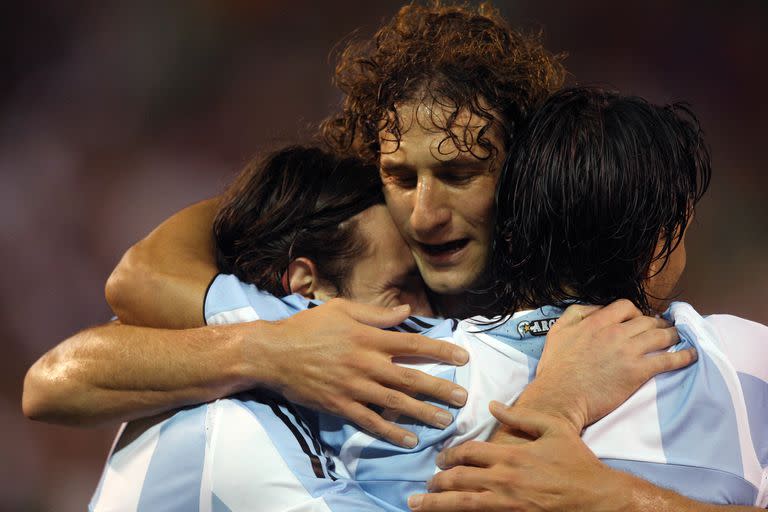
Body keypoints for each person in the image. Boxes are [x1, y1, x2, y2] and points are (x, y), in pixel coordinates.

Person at [93, 89, 765, 511]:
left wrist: (607, 495)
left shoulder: (401, 364)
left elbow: (124, 307)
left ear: (511, 209)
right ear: (660, 242)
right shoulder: (746, 359)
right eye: (399, 177)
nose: (424, 216)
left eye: (457, 173)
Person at [410, 87, 768, 511]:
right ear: (656, 251)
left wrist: (613, 496)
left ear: (512, 230)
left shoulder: (421, 373)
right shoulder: (742, 358)